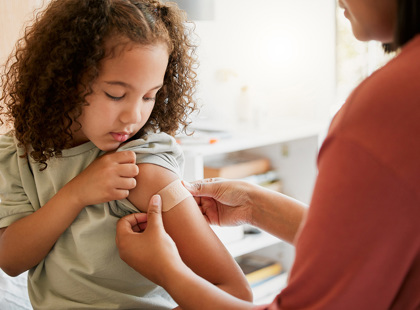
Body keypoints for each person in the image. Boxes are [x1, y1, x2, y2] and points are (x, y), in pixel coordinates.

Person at [115, 0, 420, 309]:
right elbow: (368, 246)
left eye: (149, 96)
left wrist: (169, 271)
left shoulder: (388, 107)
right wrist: (254, 206)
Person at [0, 0, 252, 309]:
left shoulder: (142, 169)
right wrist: (76, 194)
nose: (133, 116)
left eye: (150, 96)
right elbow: (10, 260)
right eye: (116, 94)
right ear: (65, 81)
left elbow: (235, 293)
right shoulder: (19, 153)